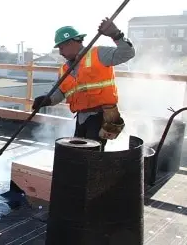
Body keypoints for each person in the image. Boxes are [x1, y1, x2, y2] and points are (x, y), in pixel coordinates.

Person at [32, 18, 135, 150]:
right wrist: (47, 100)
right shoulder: (65, 69)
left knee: (91, 155)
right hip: (81, 118)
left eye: (62, 47)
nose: (60, 52)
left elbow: (128, 53)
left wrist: (116, 34)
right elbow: (60, 92)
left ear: (71, 43)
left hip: (100, 116)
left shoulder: (98, 54)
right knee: (78, 153)